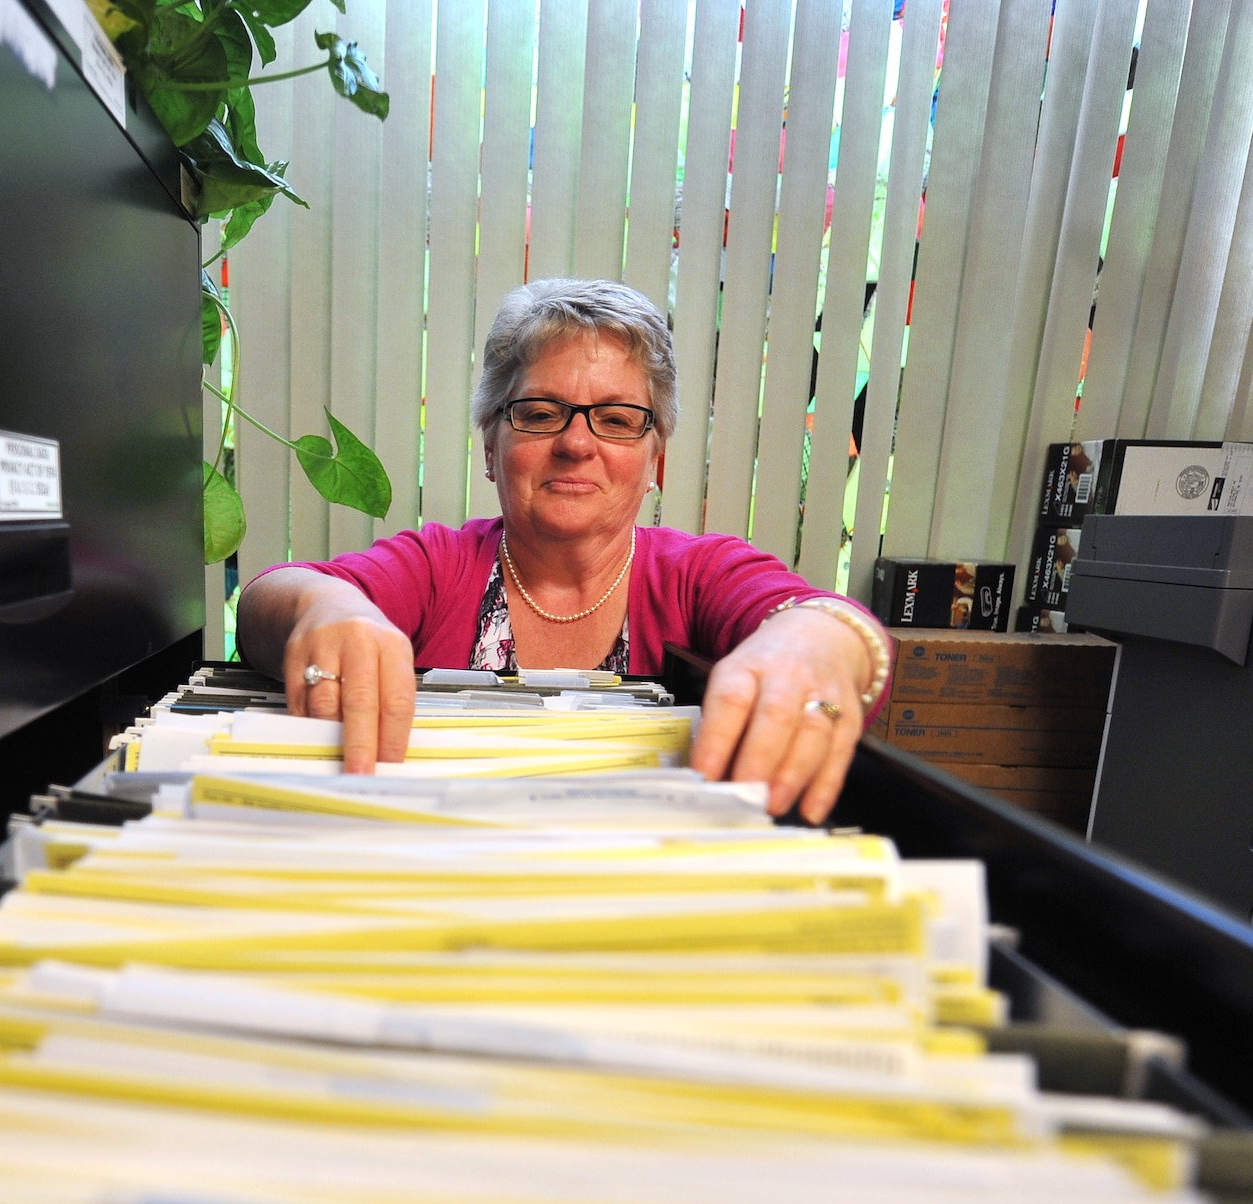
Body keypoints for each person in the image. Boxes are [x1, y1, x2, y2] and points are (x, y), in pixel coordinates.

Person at [238, 278, 892, 824]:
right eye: (541, 412)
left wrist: (814, 642)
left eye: (616, 419)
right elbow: (272, 597)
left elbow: (828, 618)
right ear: (491, 447)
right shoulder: (438, 567)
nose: (577, 444)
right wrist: (325, 607)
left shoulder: (696, 574)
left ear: (654, 458)